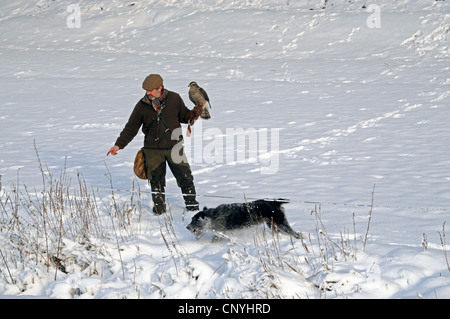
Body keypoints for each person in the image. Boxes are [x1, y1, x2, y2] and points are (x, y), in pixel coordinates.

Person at [107, 74, 202, 214]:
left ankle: (192, 208)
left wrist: (193, 114)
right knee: (156, 181)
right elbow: (131, 128)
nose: (148, 93)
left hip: (174, 146)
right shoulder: (142, 105)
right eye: (146, 90)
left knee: (185, 177)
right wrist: (118, 145)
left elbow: (183, 116)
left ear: (160, 87)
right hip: (152, 150)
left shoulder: (174, 98)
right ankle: (159, 210)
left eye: (151, 90)